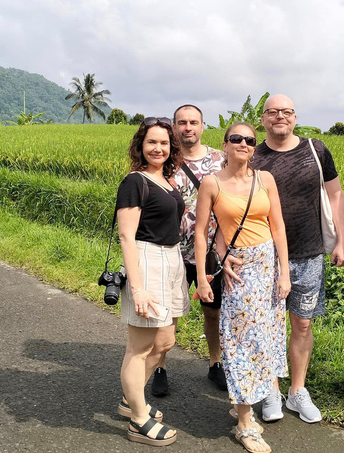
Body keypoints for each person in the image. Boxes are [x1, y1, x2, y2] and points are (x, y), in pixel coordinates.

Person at [224, 94, 344, 424]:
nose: (280, 116)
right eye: (272, 112)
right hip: (264, 258)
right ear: (263, 119)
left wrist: (342, 240)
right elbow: (223, 202)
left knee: (302, 323)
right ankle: (270, 390)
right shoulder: (253, 154)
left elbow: (335, 195)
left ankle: (297, 390)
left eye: (287, 112)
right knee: (267, 327)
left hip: (309, 253)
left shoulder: (316, 149)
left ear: (295, 117)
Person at [195, 122, 291, 453]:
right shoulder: (212, 183)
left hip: (269, 268)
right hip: (240, 271)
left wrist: (284, 274)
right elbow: (202, 231)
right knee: (242, 342)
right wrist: (207, 272)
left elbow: (277, 225)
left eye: (250, 140)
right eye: (236, 138)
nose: (244, 144)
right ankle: (245, 425)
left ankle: (244, 404)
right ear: (224, 144)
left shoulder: (265, 180)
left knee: (267, 337)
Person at [115, 117, 189, 446]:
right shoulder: (135, 181)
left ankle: (131, 399)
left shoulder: (169, 179)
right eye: (151, 142)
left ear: (172, 147)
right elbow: (127, 237)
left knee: (163, 343)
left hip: (172, 260)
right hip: (147, 260)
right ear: (140, 146)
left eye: (164, 143)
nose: (158, 148)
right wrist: (138, 287)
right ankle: (138, 420)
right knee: (141, 347)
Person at [149, 104, 227, 396]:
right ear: (174, 126)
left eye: (193, 122)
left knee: (213, 312)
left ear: (203, 126)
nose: (187, 128)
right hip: (171, 251)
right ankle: (160, 366)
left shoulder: (221, 159)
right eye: (181, 122)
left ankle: (215, 362)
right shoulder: (164, 158)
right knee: (167, 313)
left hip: (211, 254)